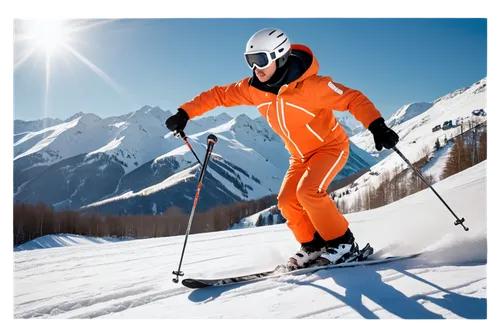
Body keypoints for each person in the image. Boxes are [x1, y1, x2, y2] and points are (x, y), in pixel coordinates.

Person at [165, 28, 399, 270]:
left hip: (330, 147)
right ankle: (313, 245)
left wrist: (377, 125)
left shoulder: (313, 86)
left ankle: (344, 244)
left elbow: (353, 99)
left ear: (280, 56)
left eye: (261, 60)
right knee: (287, 201)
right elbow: (218, 95)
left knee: (309, 192)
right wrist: (185, 113)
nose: (256, 68)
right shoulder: (254, 89)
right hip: (299, 156)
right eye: (250, 61)